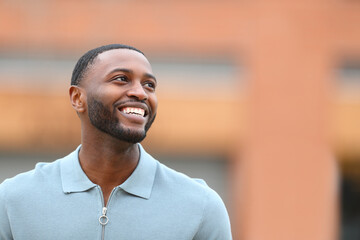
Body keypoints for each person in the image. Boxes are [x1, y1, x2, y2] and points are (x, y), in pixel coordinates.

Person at [0, 44, 232, 239]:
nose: (140, 93)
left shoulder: (201, 206)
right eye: (121, 79)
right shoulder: (14, 199)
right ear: (78, 98)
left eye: (149, 85)